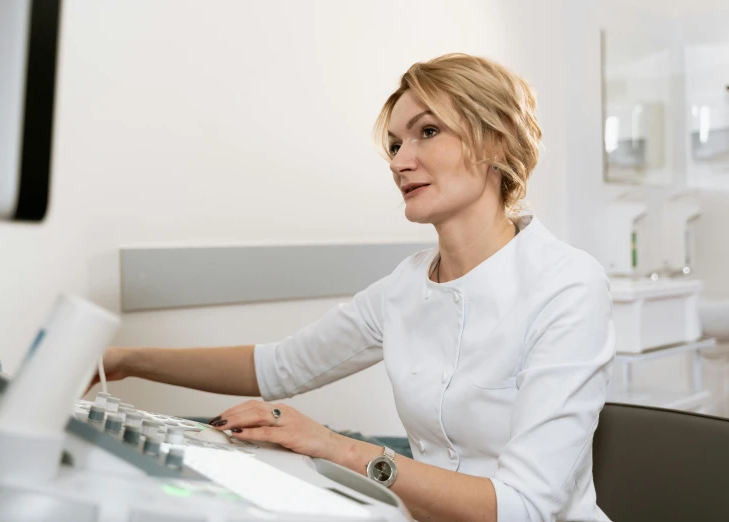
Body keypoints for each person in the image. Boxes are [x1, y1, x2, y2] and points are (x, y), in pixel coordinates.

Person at [93, 53, 614, 522]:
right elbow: (278, 366)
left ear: (496, 138)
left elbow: (522, 508)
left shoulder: (567, 285)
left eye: (427, 132)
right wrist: (126, 359)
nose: (399, 161)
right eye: (394, 143)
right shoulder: (405, 286)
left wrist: (334, 447)